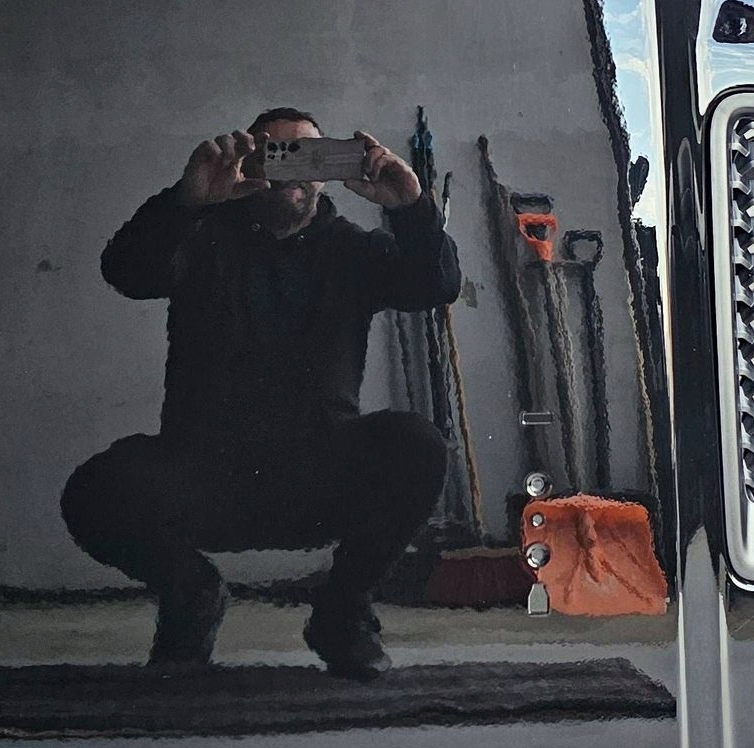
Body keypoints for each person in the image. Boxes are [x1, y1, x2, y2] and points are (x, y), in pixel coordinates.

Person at [61, 108, 461, 679]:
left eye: (308, 156)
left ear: (328, 171)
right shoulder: (202, 238)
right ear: (249, 161)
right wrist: (186, 201)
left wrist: (410, 207)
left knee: (418, 445)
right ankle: (191, 594)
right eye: (275, 154)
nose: (291, 171)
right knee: (93, 490)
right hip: (205, 474)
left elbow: (436, 285)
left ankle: (343, 613)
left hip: (318, 473)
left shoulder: (352, 250)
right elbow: (125, 271)